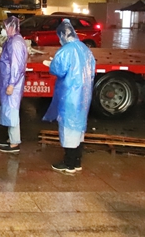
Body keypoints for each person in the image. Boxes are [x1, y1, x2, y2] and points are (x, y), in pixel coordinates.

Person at [42, 19, 95, 174]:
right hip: (83, 95)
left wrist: (51, 64)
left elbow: (58, 70)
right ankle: (77, 161)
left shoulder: (66, 50)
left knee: (69, 128)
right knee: (79, 129)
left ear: (63, 35)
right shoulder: (85, 48)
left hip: (70, 94)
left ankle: (69, 163)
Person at [0, 16, 28, 154]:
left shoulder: (15, 43)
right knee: (9, 111)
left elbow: (16, 65)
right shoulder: (12, 41)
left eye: (5, 27)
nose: (3, 30)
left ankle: (14, 143)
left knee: (12, 112)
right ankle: (11, 139)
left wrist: (11, 84)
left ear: (11, 27)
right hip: (8, 81)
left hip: (12, 83)